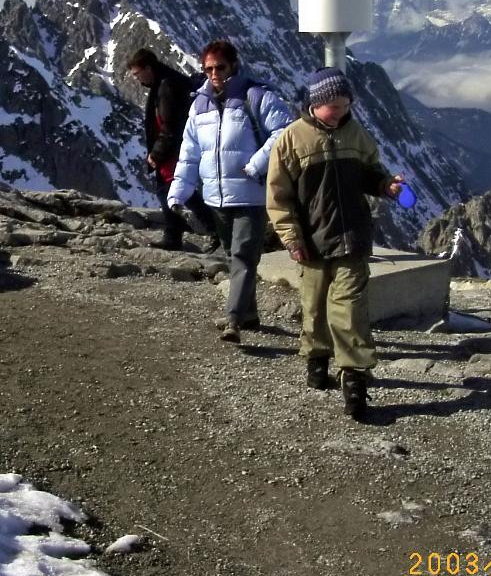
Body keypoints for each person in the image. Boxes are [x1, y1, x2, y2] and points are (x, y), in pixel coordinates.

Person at [265, 67, 406, 420]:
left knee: (349, 311)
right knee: (314, 308)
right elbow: (278, 197)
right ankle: (316, 361)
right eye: (334, 106)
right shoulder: (291, 140)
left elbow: (371, 171)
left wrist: (385, 186)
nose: (341, 112)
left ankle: (354, 380)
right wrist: (291, 238)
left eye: (346, 105)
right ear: (316, 103)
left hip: (352, 238)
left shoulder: (356, 134)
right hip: (312, 242)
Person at [167, 40, 293, 344]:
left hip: (251, 195)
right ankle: (249, 314)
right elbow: (189, 154)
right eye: (208, 68)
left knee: (243, 256)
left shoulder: (257, 96)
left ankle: (233, 319)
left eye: (220, 67)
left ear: (233, 66)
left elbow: (284, 132)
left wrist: (256, 165)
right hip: (216, 197)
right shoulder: (199, 105)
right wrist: (177, 193)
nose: (214, 74)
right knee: (233, 256)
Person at [127, 48, 218, 252]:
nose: (136, 79)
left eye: (137, 74)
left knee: (172, 190)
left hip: (173, 150)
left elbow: (169, 125)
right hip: (177, 147)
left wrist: (157, 153)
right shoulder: (166, 81)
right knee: (174, 189)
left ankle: (208, 230)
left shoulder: (165, 87)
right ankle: (181, 233)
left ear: (148, 68)